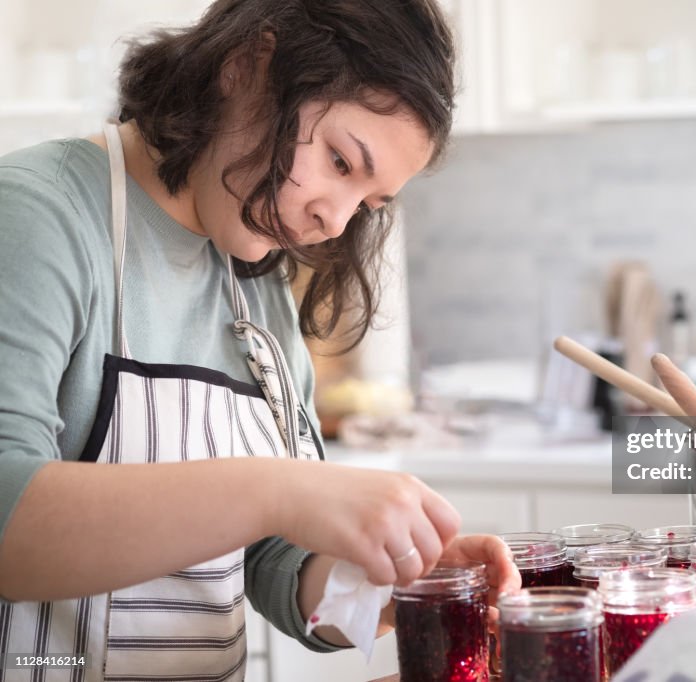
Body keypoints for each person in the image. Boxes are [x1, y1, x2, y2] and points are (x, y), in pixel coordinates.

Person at [0, 0, 518, 677]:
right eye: (338, 161)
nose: (335, 222)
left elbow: (273, 562)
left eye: (367, 203)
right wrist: (280, 490)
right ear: (248, 66)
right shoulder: (40, 215)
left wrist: (388, 582)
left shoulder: (256, 284)